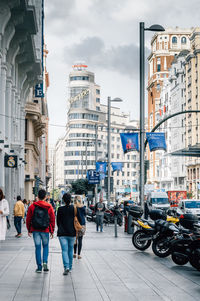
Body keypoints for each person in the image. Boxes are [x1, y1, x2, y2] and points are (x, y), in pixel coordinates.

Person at [26, 189, 55, 273]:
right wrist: (52, 230)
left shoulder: (32, 206)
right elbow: (52, 219)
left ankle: (39, 267)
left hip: (35, 230)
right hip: (45, 230)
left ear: (37, 196)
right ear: (45, 197)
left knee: (38, 247)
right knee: (45, 246)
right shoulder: (49, 206)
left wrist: (29, 229)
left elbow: (28, 218)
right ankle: (45, 262)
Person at [57, 193, 80, 275]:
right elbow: (79, 219)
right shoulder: (74, 208)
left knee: (64, 250)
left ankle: (66, 266)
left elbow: (58, 222)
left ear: (63, 200)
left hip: (62, 233)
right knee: (70, 250)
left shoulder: (60, 209)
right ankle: (70, 267)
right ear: (71, 200)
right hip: (72, 232)